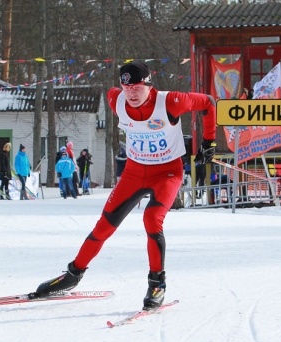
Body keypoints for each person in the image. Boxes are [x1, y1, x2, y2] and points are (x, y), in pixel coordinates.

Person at [29, 60, 216, 310]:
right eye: (126, 88)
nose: (131, 94)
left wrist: (209, 142)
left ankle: (157, 284)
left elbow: (208, 103)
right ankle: (72, 275)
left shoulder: (170, 101)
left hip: (167, 173)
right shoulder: (115, 99)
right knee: (104, 225)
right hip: (134, 173)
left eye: (137, 88)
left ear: (148, 85)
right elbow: (117, 94)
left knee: (152, 219)